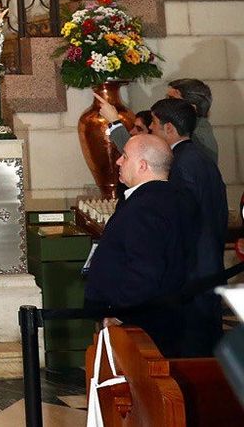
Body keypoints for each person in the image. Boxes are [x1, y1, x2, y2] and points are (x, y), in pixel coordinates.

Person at [84, 134, 199, 357]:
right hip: (169, 317)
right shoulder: (177, 198)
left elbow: (145, 270)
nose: (118, 161)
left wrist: (120, 314)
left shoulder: (144, 207)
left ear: (142, 165)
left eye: (125, 156)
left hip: (141, 328)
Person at [152, 97, 227, 356]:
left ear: (169, 128)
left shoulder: (180, 164)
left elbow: (182, 222)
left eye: (153, 125)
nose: (151, 130)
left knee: (192, 351)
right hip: (208, 265)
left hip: (192, 273)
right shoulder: (200, 157)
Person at [166, 77, 218, 161]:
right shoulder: (193, 130)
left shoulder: (196, 137)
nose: (165, 104)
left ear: (192, 108)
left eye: (172, 100)